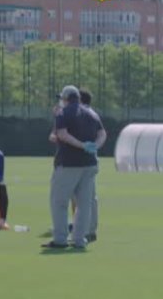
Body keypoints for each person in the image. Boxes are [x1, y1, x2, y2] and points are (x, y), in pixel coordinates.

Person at [43, 85, 106, 249]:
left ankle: (60, 239)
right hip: (90, 164)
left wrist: (81, 145)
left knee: (59, 202)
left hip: (68, 164)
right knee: (84, 204)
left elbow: (61, 134)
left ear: (65, 98)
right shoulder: (92, 113)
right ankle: (79, 240)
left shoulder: (63, 112)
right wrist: (94, 146)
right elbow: (102, 134)